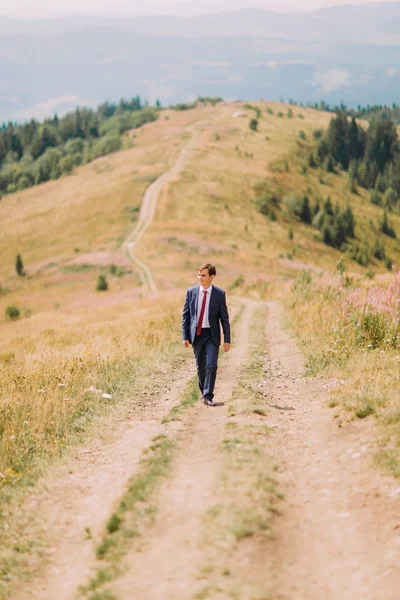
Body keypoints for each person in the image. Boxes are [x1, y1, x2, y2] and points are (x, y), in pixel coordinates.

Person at [182, 263, 231, 406]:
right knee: (201, 366)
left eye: (203, 275)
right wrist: (185, 336)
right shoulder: (191, 292)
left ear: (212, 277)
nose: (200, 278)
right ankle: (204, 392)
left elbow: (224, 318)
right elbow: (186, 315)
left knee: (212, 365)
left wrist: (227, 339)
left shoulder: (219, 294)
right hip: (196, 334)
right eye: (199, 275)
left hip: (211, 335)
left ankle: (208, 395)